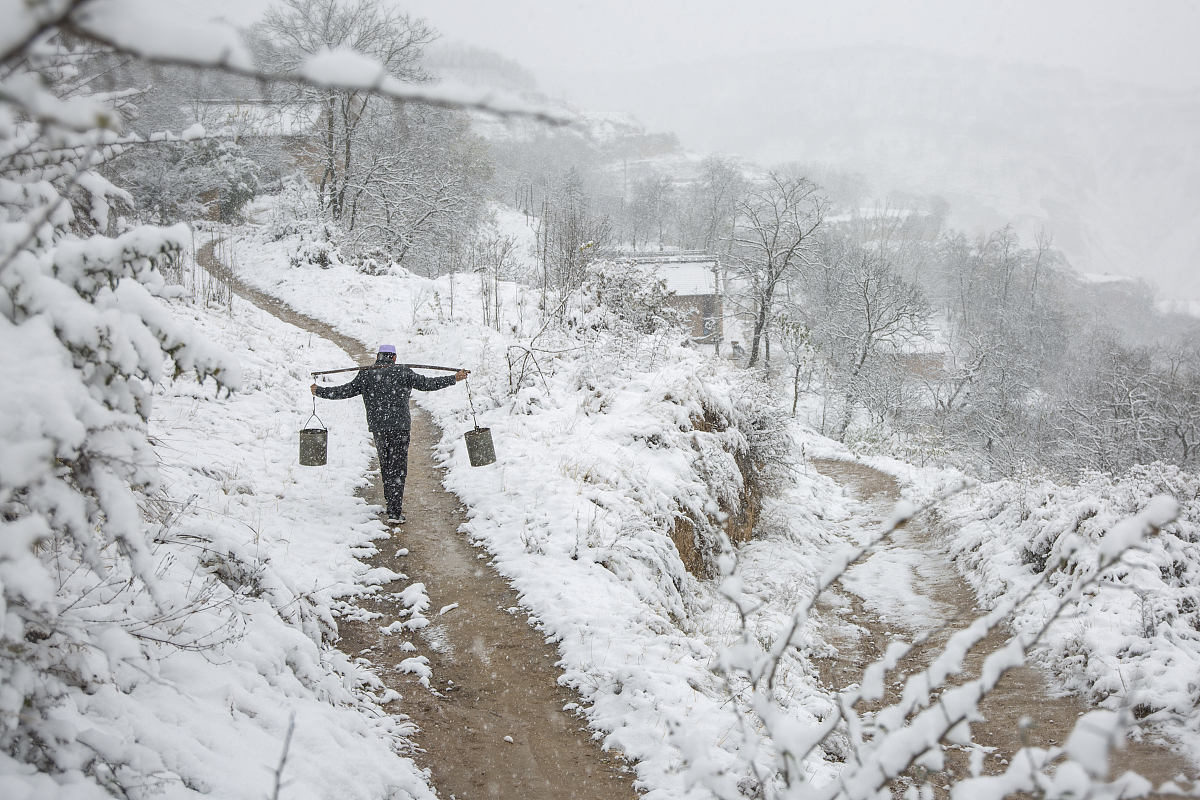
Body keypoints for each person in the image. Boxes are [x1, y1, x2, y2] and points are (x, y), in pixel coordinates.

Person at [311, 345, 468, 526]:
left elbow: (344, 391)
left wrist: (320, 391)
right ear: (394, 358)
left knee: (386, 465)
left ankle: (391, 505)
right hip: (400, 428)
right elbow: (428, 384)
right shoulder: (402, 372)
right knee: (398, 467)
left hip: (379, 428)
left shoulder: (367, 374)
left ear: (378, 357)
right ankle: (395, 510)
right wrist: (454, 378)